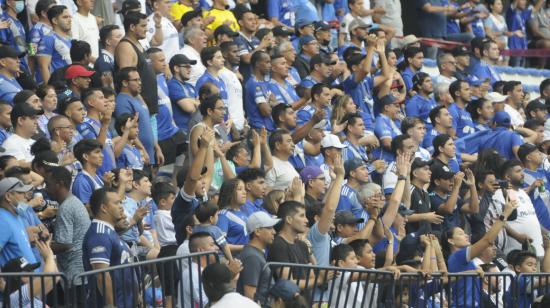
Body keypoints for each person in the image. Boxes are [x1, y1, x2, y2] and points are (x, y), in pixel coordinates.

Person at [442, 194, 517, 307]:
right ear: (451, 241)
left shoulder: (463, 258)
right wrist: (504, 214)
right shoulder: (458, 256)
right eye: (461, 234)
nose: (466, 235)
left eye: (465, 232)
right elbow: (487, 240)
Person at [82, 188, 136, 307]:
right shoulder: (99, 234)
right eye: (116, 203)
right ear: (104, 208)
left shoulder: (109, 231)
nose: (121, 206)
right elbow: (101, 274)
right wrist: (110, 305)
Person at [46, 166, 90, 299]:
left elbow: (65, 245)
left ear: (59, 185)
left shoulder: (66, 207)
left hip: (75, 275)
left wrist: (43, 246)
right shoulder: (74, 202)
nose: (46, 188)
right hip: (81, 273)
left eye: (48, 184)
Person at [494, 159, 544, 257]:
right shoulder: (500, 193)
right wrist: (517, 236)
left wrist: (547, 233)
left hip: (538, 250)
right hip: (517, 254)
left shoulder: (523, 193)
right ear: (508, 176)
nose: (522, 174)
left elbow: (532, 219)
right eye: (518, 171)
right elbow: (498, 221)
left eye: (522, 171)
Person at [115, 67, 162, 166]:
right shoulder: (122, 101)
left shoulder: (136, 99)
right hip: (137, 158)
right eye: (135, 80)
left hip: (147, 155)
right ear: (124, 83)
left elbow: (147, 125)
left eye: (139, 79)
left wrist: (156, 148)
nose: (140, 83)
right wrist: (142, 149)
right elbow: (127, 129)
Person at [115, 11, 159, 116]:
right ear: (132, 27)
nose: (147, 29)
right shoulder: (126, 47)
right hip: (140, 109)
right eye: (143, 26)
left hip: (148, 108)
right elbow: (128, 81)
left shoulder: (137, 43)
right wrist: (142, 106)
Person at [238, 211, 281, 299]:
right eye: (269, 228)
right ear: (257, 231)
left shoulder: (255, 253)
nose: (274, 232)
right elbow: (250, 295)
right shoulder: (252, 257)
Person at [0, 177, 38, 266]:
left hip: (32, 278)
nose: (26, 196)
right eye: (21, 193)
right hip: (18, 280)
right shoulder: (2, 220)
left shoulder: (17, 216)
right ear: (8, 196)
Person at [36, 5, 72, 83]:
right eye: (65, 17)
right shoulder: (48, 39)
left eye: (70, 17)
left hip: (71, 86)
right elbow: (43, 66)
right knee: (66, 95)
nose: (69, 20)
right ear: (55, 21)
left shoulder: (70, 39)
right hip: (58, 88)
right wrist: (51, 90)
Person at [245, 51, 276, 132]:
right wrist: (271, 103)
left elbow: (275, 103)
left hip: (269, 127)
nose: (270, 65)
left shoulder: (265, 83)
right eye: (267, 62)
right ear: (257, 64)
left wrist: (270, 104)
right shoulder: (254, 84)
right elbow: (266, 111)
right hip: (259, 129)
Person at [71, 139, 105, 205]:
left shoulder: (97, 176)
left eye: (101, 152)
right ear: (86, 156)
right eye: (97, 152)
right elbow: (86, 211)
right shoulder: (81, 181)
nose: (102, 156)